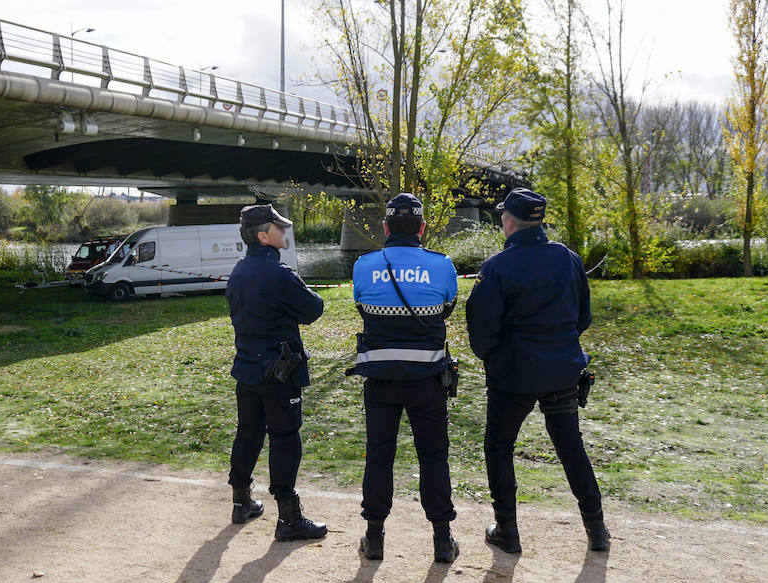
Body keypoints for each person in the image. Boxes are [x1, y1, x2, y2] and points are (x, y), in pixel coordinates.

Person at [466, 188, 610, 554]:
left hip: (513, 375)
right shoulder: (568, 258)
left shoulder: (497, 266)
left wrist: (495, 358)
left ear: (508, 221)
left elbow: (481, 331)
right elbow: (583, 317)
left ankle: (507, 530)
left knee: (499, 447)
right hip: (562, 370)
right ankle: (597, 530)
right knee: (570, 447)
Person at [349, 193, 460, 563]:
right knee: (433, 456)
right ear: (422, 228)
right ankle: (443, 541)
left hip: (380, 378)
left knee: (379, 456)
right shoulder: (442, 265)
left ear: (385, 227)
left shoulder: (363, 266)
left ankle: (374, 537)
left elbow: (363, 308)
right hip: (428, 378)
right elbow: (446, 309)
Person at [225, 203, 327, 542]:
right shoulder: (279, 275)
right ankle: (289, 517)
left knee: (249, 432)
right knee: (285, 437)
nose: (285, 232)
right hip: (280, 373)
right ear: (262, 236)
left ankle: (241, 501)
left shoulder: (238, 272)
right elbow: (313, 309)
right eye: (278, 227)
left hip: (247, 369)